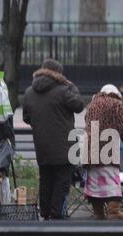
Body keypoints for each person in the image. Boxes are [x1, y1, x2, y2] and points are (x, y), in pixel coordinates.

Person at [23, 59, 85, 220]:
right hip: (64, 147)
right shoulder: (64, 91)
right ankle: (56, 214)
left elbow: (26, 117)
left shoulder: (29, 92)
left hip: (42, 146)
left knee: (46, 180)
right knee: (62, 182)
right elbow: (79, 105)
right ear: (58, 74)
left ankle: (45, 213)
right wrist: (71, 86)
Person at [84, 84, 123, 220]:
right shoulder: (116, 104)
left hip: (90, 150)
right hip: (108, 150)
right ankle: (113, 212)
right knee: (111, 179)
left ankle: (98, 213)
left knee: (95, 181)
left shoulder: (92, 104)